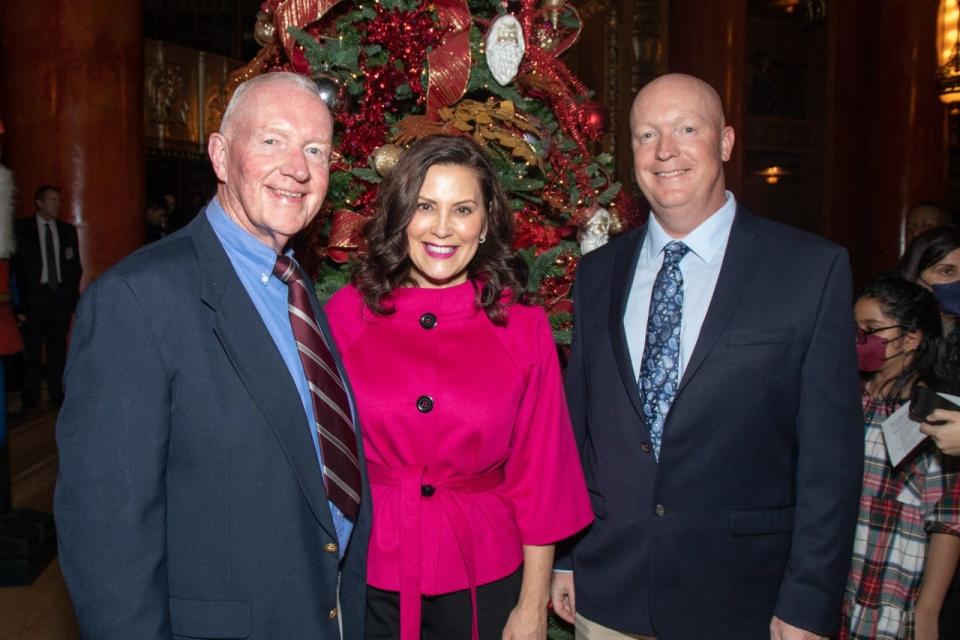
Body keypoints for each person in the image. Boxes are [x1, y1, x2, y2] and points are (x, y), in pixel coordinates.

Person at [54, 72, 371, 638]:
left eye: (315, 149)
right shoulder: (137, 301)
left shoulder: (296, 287)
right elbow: (108, 540)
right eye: (272, 140)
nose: (297, 167)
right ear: (221, 157)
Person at [550, 73, 863, 640]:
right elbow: (580, 429)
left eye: (686, 129)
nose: (665, 150)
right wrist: (566, 556)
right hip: (607, 590)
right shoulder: (597, 274)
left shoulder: (809, 271)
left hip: (743, 599)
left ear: (724, 143)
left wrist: (808, 602)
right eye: (646, 135)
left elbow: (831, 461)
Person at [324, 135, 593, 640]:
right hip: (368, 572)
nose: (442, 228)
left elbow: (542, 476)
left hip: (484, 576)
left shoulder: (523, 328)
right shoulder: (346, 316)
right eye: (425, 206)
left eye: (462, 209)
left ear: (486, 221)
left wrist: (532, 606)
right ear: (400, 214)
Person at [841, 276, 960, 640]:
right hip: (843, 580)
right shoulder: (849, 398)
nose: (861, 340)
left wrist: (927, 612)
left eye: (872, 330)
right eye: (856, 330)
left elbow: (948, 521)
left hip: (896, 585)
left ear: (911, 339)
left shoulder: (933, 416)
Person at [12, 185, 81, 409]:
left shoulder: (67, 231)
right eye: (52, 200)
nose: (57, 204)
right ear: (39, 203)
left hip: (59, 298)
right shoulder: (21, 230)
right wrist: (18, 305)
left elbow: (74, 267)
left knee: (57, 348)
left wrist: (71, 298)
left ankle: (56, 393)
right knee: (32, 349)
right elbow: (15, 269)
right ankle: (30, 396)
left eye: (59, 200)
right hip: (34, 298)